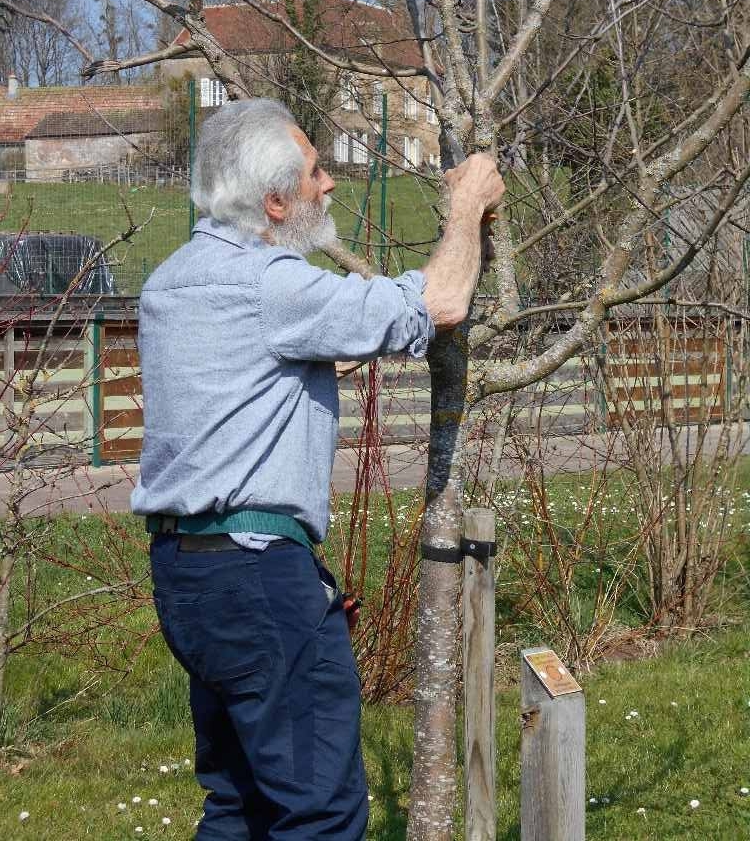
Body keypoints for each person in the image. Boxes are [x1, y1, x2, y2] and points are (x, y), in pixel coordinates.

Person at [132, 98, 504, 841]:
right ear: (274, 202)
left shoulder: (170, 284)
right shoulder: (272, 285)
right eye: (315, 172)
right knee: (320, 812)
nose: (329, 185)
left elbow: (251, 376)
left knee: (240, 803)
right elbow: (441, 302)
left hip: (188, 576)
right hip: (257, 577)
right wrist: (465, 207)